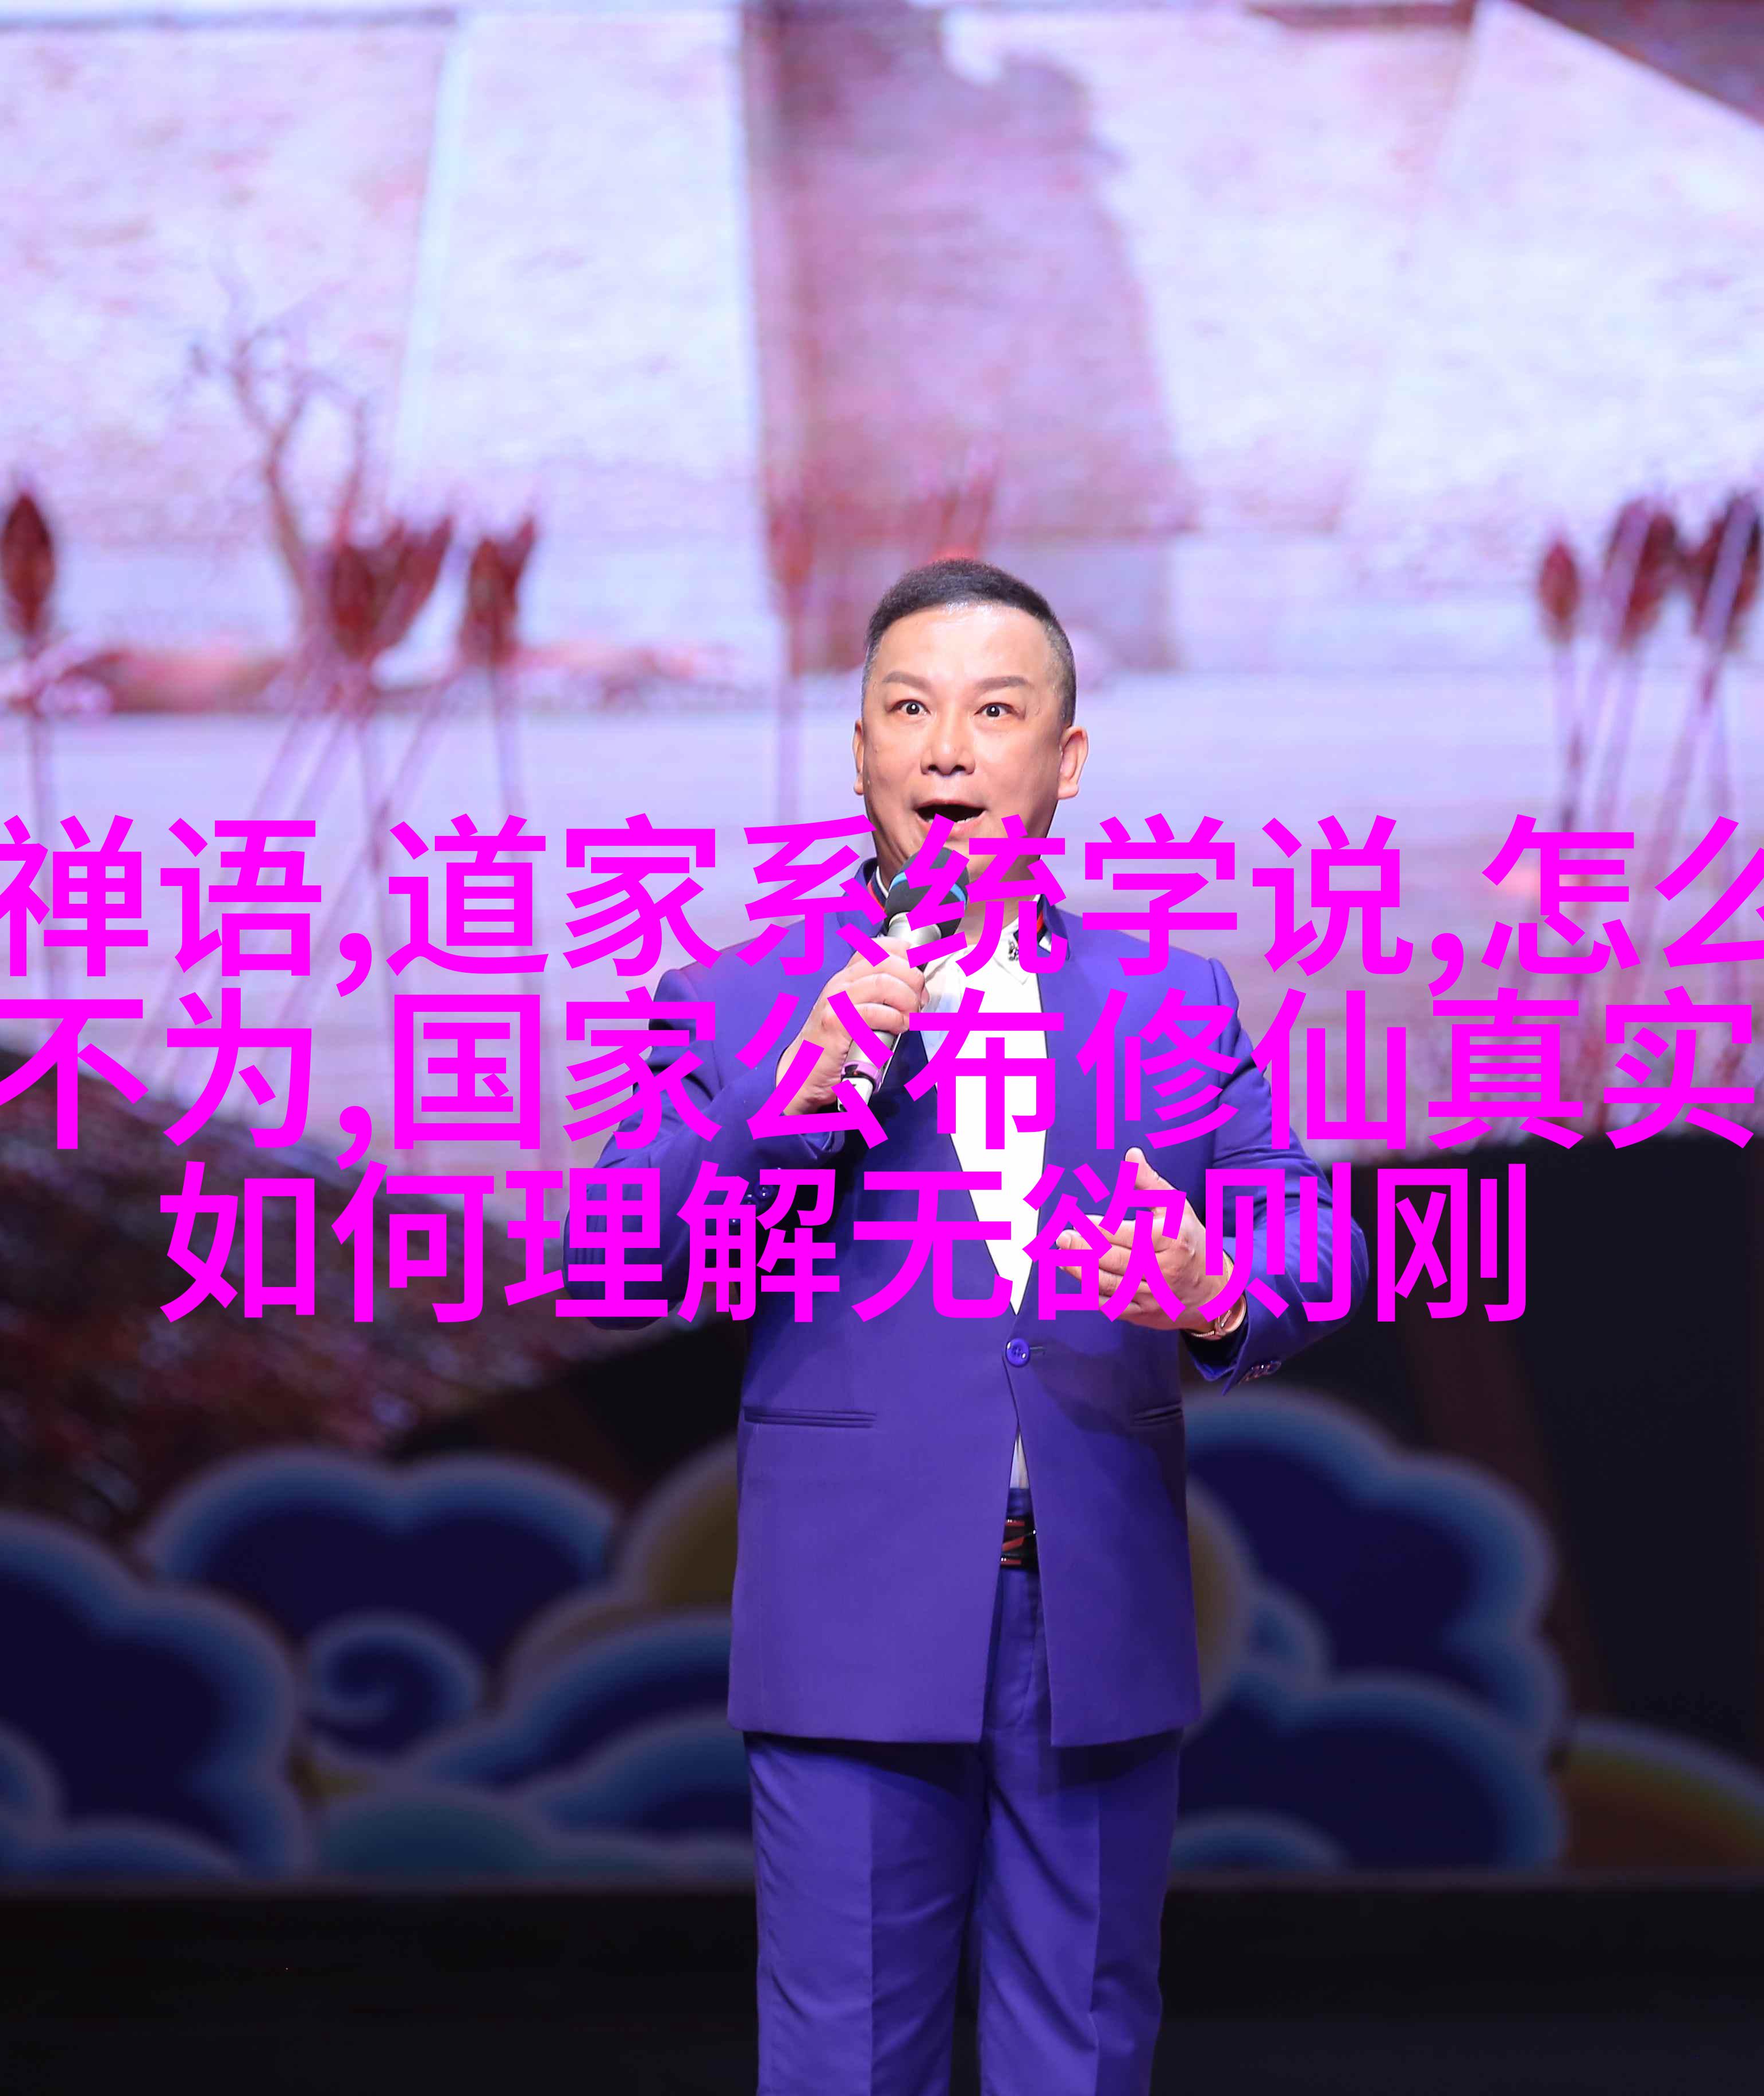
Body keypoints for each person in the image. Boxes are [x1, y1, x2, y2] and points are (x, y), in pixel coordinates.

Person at [599, 558, 1360, 2094]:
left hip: (1090, 1600)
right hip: (855, 1602)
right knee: (846, 2057)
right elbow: (621, 1245)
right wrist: (791, 1095)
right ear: (860, 753)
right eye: (910, 710)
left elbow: (1314, 1234)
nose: (948, 751)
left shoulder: (1172, 999)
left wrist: (1218, 1288)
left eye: (995, 713)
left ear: (1065, 762)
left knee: (1082, 2046)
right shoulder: (737, 997)